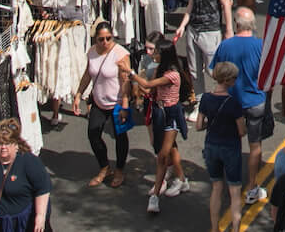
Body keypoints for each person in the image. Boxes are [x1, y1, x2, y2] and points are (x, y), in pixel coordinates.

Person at [215, 8, 270, 208]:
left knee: (231, 143)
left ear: (237, 24)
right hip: (255, 102)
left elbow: (215, 71)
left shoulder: (225, 46)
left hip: (230, 102)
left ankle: (232, 185)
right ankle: (252, 186)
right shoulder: (261, 45)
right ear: (253, 25)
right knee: (255, 146)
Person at [130, 36, 191, 212]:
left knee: (163, 155)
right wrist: (139, 89)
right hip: (158, 112)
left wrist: (132, 73)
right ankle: (182, 179)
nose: (153, 55)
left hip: (171, 114)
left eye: (156, 52)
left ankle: (155, 195)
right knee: (170, 148)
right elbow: (149, 89)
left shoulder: (172, 74)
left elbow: (149, 83)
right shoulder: (159, 69)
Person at [76, 21, 131, 187]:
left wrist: (125, 106)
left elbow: (125, 81)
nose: (105, 42)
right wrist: (78, 94)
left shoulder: (120, 54)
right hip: (99, 101)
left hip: (117, 102)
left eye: (109, 38)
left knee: (120, 136)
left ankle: (120, 169)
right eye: (101, 39)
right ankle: (104, 167)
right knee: (93, 134)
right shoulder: (92, 52)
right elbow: (87, 75)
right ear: (95, 39)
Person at [196, 62, 246, 232]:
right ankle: (236, 228)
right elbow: (241, 131)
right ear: (228, 80)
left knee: (216, 188)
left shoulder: (206, 98)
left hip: (211, 145)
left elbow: (198, 125)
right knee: (235, 191)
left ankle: (214, 228)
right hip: (230, 147)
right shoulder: (233, 103)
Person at [176, 0, 233, 95]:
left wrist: (229, 30)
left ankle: (226, 96)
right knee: (194, 70)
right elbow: (191, 5)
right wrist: (182, 26)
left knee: (212, 69)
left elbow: (226, 3)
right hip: (193, 29)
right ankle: (200, 103)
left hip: (210, 30)